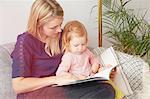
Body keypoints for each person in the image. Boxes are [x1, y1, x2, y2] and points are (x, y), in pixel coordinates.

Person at [11, 0, 115, 99]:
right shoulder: (25, 42)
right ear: (38, 24)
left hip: (63, 87)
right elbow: (18, 85)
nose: (59, 30)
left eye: (60, 24)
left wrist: (101, 71)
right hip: (37, 93)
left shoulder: (60, 36)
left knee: (106, 89)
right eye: (53, 27)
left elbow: (81, 55)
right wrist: (55, 79)